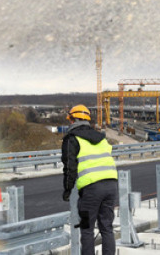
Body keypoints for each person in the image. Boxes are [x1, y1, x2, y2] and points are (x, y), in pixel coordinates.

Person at [61, 104, 117, 255]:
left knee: (86, 229)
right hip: (111, 186)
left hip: (91, 191)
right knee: (107, 228)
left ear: (73, 120)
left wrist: (67, 190)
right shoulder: (101, 138)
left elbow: (70, 168)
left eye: (70, 120)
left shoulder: (72, 139)